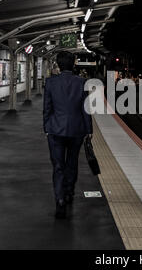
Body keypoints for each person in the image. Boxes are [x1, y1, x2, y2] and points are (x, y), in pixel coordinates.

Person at [43, 51, 93, 219]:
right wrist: (89, 130)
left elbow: (47, 108)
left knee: (58, 166)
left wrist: (46, 128)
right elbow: (85, 109)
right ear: (74, 64)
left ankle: (60, 200)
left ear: (57, 64)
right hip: (76, 130)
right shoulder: (82, 82)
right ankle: (69, 192)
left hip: (55, 130)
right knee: (72, 163)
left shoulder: (50, 83)